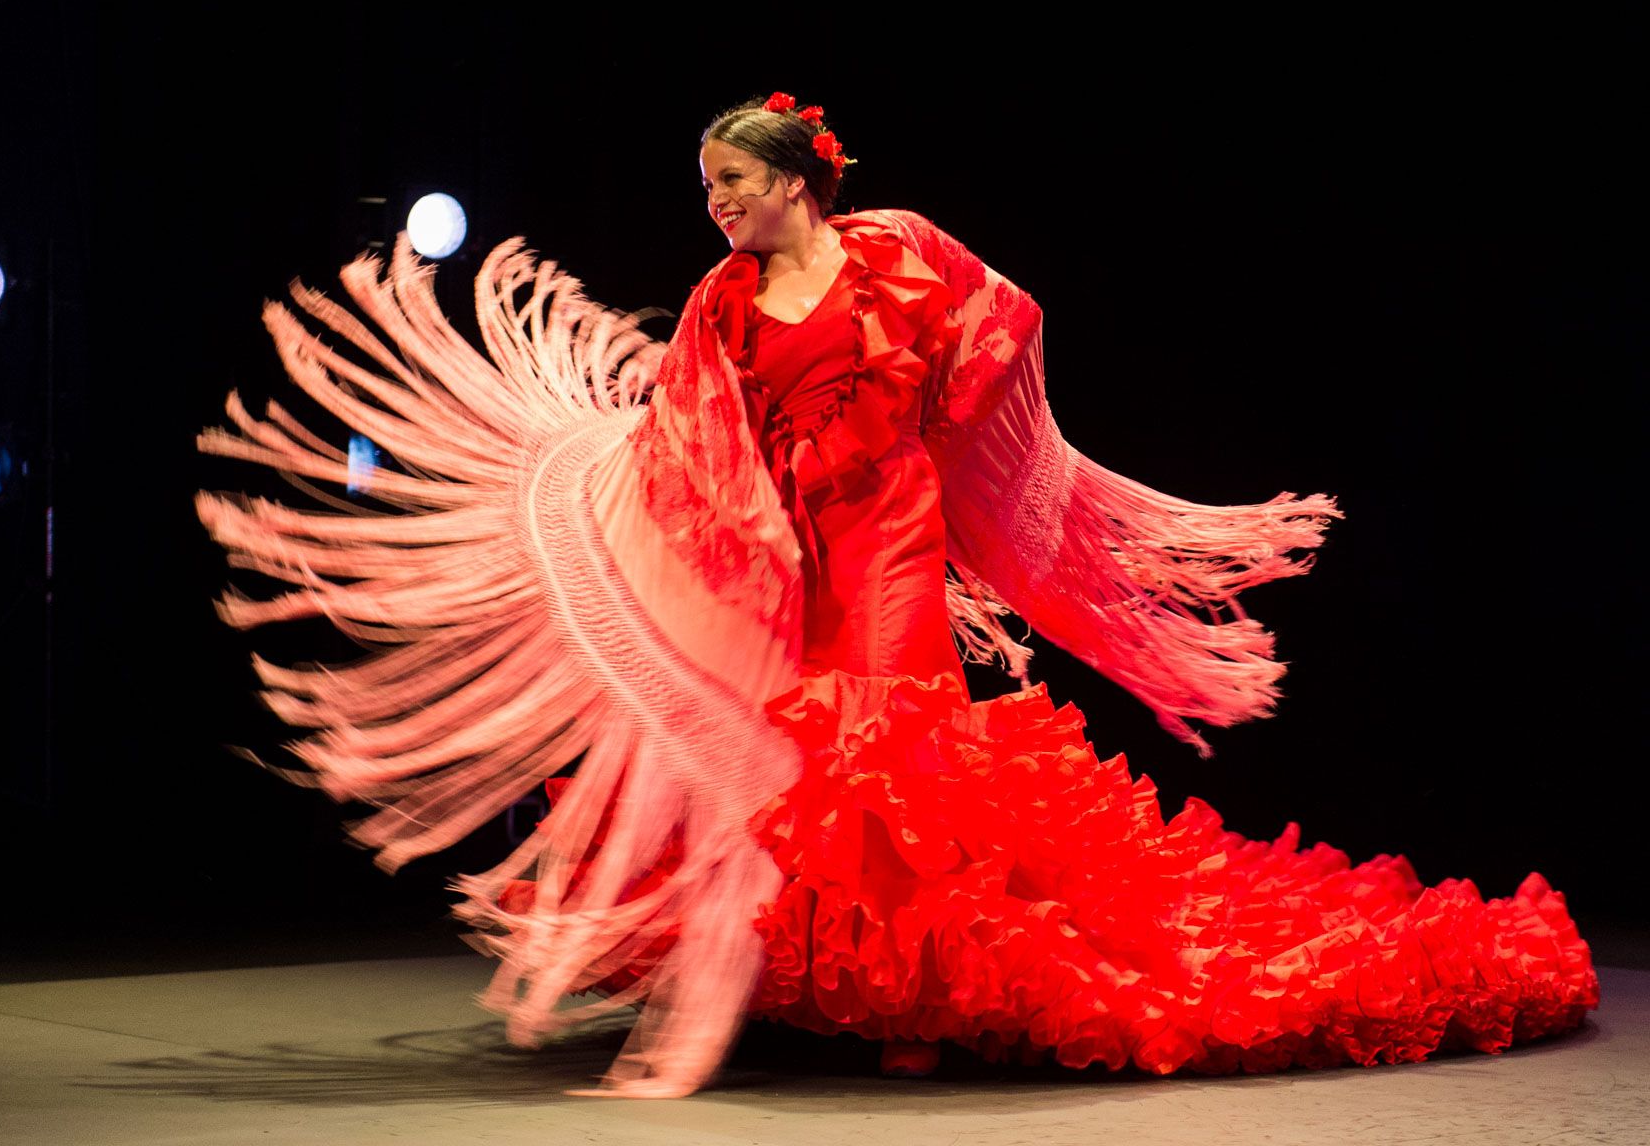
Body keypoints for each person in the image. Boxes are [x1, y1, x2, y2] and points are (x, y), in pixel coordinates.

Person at [193, 92, 1599, 1098]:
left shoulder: (897, 253)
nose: (717, 207)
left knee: (894, 742)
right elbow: (685, 429)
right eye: (705, 192)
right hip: (794, 536)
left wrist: (939, 406)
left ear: (797, 180)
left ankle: (918, 997)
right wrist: (738, 520)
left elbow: (1013, 318)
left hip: (895, 530)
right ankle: (843, 987)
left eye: (732, 186)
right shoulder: (721, 302)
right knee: (806, 750)